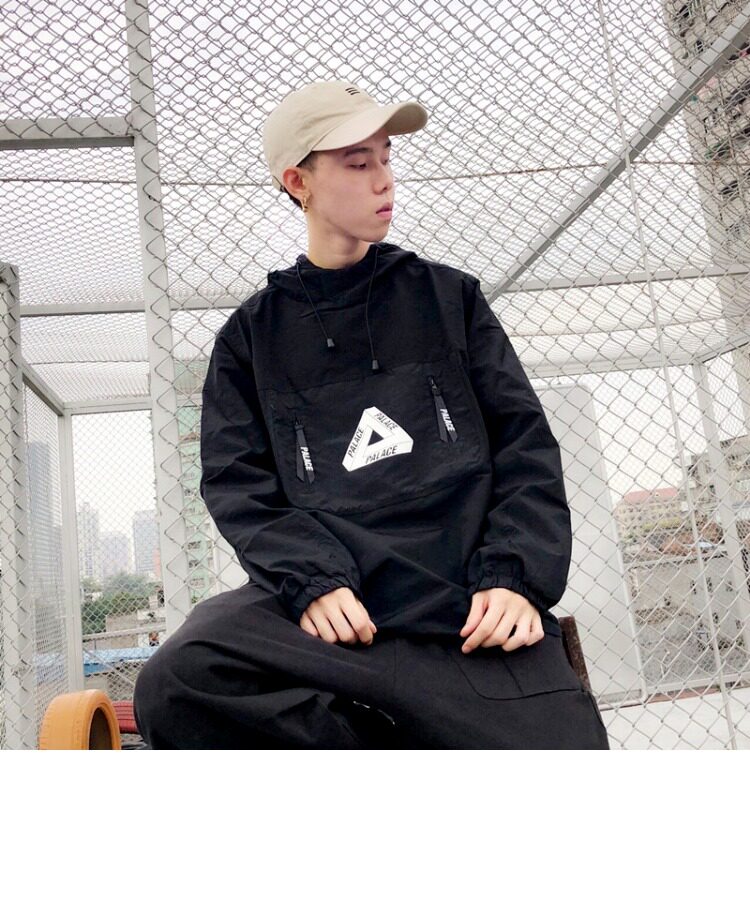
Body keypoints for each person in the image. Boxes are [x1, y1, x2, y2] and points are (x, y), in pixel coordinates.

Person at [132, 79, 609, 749]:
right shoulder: (251, 338)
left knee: (564, 748)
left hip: (463, 605)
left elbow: (524, 447)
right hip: (340, 615)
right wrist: (312, 581)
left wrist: (513, 578)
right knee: (179, 680)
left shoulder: (448, 299)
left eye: (386, 158)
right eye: (359, 163)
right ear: (298, 182)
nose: (384, 180)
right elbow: (238, 484)